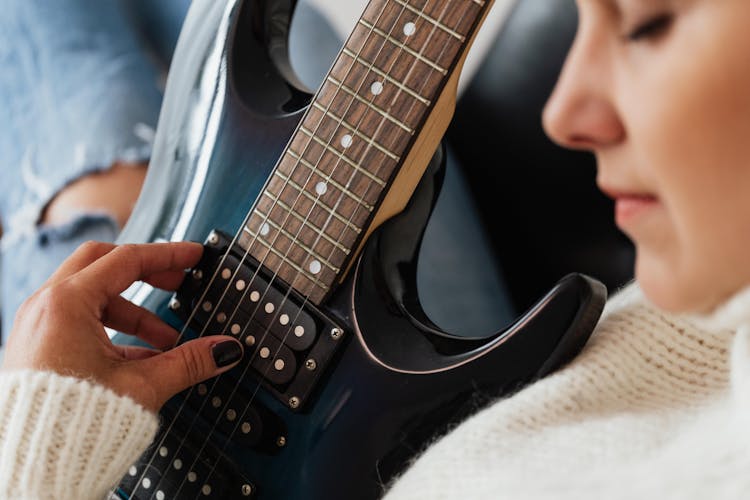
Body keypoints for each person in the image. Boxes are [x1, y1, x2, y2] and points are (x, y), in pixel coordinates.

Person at [4, 0, 750, 498]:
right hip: (369, 377)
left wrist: (39, 448)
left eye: (647, 24)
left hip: (97, 443)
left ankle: (92, 199)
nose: (563, 115)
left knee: (66, 55)